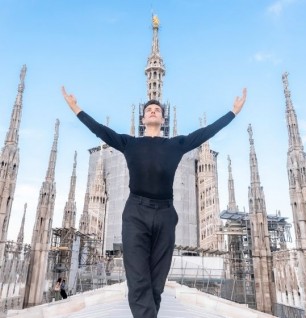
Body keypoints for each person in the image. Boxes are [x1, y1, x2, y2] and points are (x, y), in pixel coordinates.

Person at [62, 86, 246, 318]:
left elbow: (206, 132)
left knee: (157, 280)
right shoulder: (130, 143)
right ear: (143, 118)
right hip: (136, 213)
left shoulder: (176, 145)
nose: (152, 111)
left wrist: (233, 112)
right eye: (148, 109)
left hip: (165, 214)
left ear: (162, 118)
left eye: (156, 110)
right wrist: (76, 109)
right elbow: (101, 131)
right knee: (138, 276)